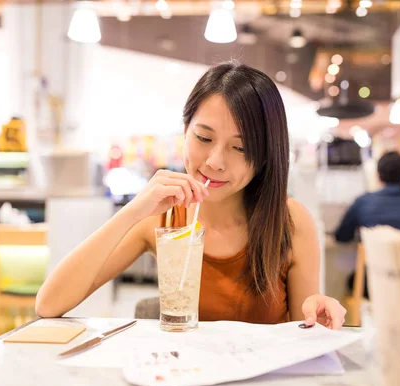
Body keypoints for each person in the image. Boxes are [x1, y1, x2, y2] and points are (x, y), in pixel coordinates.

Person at [36, 61, 346, 330]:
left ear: (265, 156)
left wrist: (318, 313)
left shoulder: (290, 222)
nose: (214, 161)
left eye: (239, 147)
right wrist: (133, 211)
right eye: (203, 137)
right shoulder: (164, 218)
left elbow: (303, 334)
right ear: (185, 131)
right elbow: (49, 304)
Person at [334, 151, 400, 299]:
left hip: (373, 287)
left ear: (378, 175)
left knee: (351, 280)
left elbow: (341, 236)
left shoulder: (364, 202)